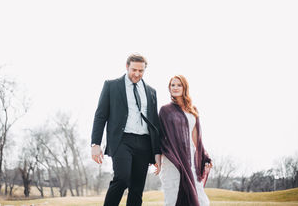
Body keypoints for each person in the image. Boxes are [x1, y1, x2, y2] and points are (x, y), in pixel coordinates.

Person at [91, 53, 161, 206]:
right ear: (127, 67)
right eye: (134, 69)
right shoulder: (111, 85)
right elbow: (100, 116)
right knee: (122, 178)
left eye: (140, 71)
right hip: (122, 140)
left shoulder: (151, 91)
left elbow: (154, 123)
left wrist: (156, 152)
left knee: (137, 189)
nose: (137, 74)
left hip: (144, 142)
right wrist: (95, 144)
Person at [158, 75, 212, 206]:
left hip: (191, 160)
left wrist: (204, 156)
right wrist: (157, 159)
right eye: (172, 85)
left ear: (185, 87)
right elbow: (160, 136)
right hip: (173, 161)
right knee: (173, 198)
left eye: (179, 85)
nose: (175, 88)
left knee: (200, 199)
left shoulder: (193, 110)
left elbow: (196, 139)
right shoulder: (165, 110)